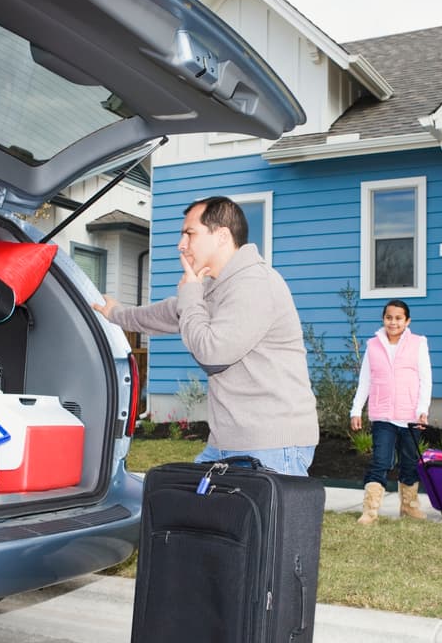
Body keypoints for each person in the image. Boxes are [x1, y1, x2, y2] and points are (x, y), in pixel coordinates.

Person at [92, 196, 318, 476]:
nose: (181, 244)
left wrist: (190, 292)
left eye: (189, 233)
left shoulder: (254, 284)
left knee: (263, 521)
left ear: (222, 236)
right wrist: (116, 313)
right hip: (228, 442)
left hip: (269, 445)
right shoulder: (215, 286)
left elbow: (213, 354)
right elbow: (167, 313)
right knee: (188, 509)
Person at [349, 300, 432, 524]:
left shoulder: (418, 343)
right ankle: (370, 510)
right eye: (389, 317)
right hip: (383, 415)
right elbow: (365, 379)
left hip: (411, 416)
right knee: (380, 460)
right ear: (383, 319)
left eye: (398, 318)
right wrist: (356, 409)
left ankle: (409, 505)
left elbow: (426, 379)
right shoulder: (373, 345)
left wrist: (422, 409)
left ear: (407, 321)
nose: (393, 322)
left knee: (409, 461)